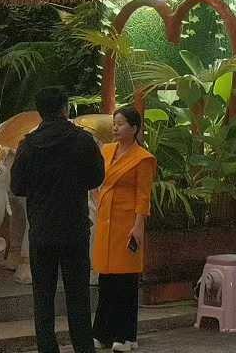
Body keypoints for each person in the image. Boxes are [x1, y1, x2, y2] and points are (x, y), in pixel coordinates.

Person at [10, 86, 105, 353]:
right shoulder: (83, 141)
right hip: (75, 229)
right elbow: (97, 177)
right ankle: (83, 348)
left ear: (40, 112)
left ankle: (47, 348)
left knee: (43, 297)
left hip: (41, 231)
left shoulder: (28, 145)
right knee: (78, 297)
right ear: (65, 108)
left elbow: (17, 186)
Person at [92, 106, 156, 353]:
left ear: (134, 128)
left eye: (120, 124)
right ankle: (102, 333)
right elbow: (98, 180)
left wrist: (138, 226)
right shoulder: (107, 150)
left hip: (127, 224)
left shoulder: (143, 158)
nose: (115, 128)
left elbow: (143, 195)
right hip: (106, 222)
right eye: (114, 123)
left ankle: (126, 335)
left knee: (126, 281)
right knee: (106, 279)